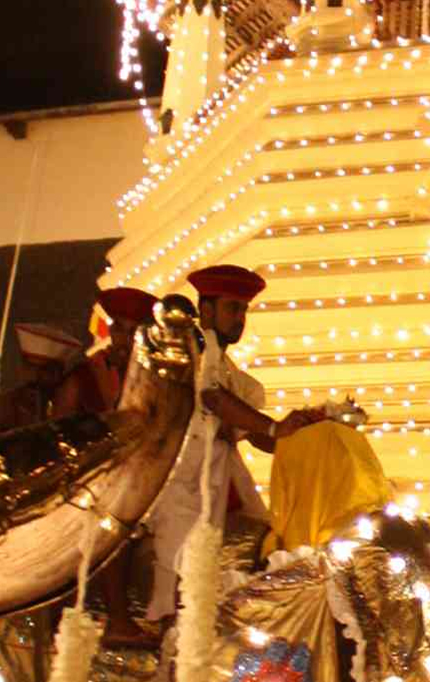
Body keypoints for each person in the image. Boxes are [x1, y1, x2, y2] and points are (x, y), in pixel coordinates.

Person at [144, 263, 392, 618]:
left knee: (254, 559)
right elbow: (214, 398)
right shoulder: (191, 350)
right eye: (233, 308)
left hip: (222, 488)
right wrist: (276, 428)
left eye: (244, 309)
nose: (240, 318)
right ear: (206, 309)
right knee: (179, 581)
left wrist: (311, 426)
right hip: (179, 483)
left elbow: (259, 436)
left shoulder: (233, 373)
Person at [52, 287, 156, 420]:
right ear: (111, 331)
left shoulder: (148, 378)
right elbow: (60, 421)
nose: (126, 340)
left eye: (132, 332)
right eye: (120, 330)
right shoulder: (83, 375)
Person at [0, 323, 83, 436]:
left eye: (46, 370)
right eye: (31, 367)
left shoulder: (68, 405)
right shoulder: (2, 407)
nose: (35, 375)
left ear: (59, 373)